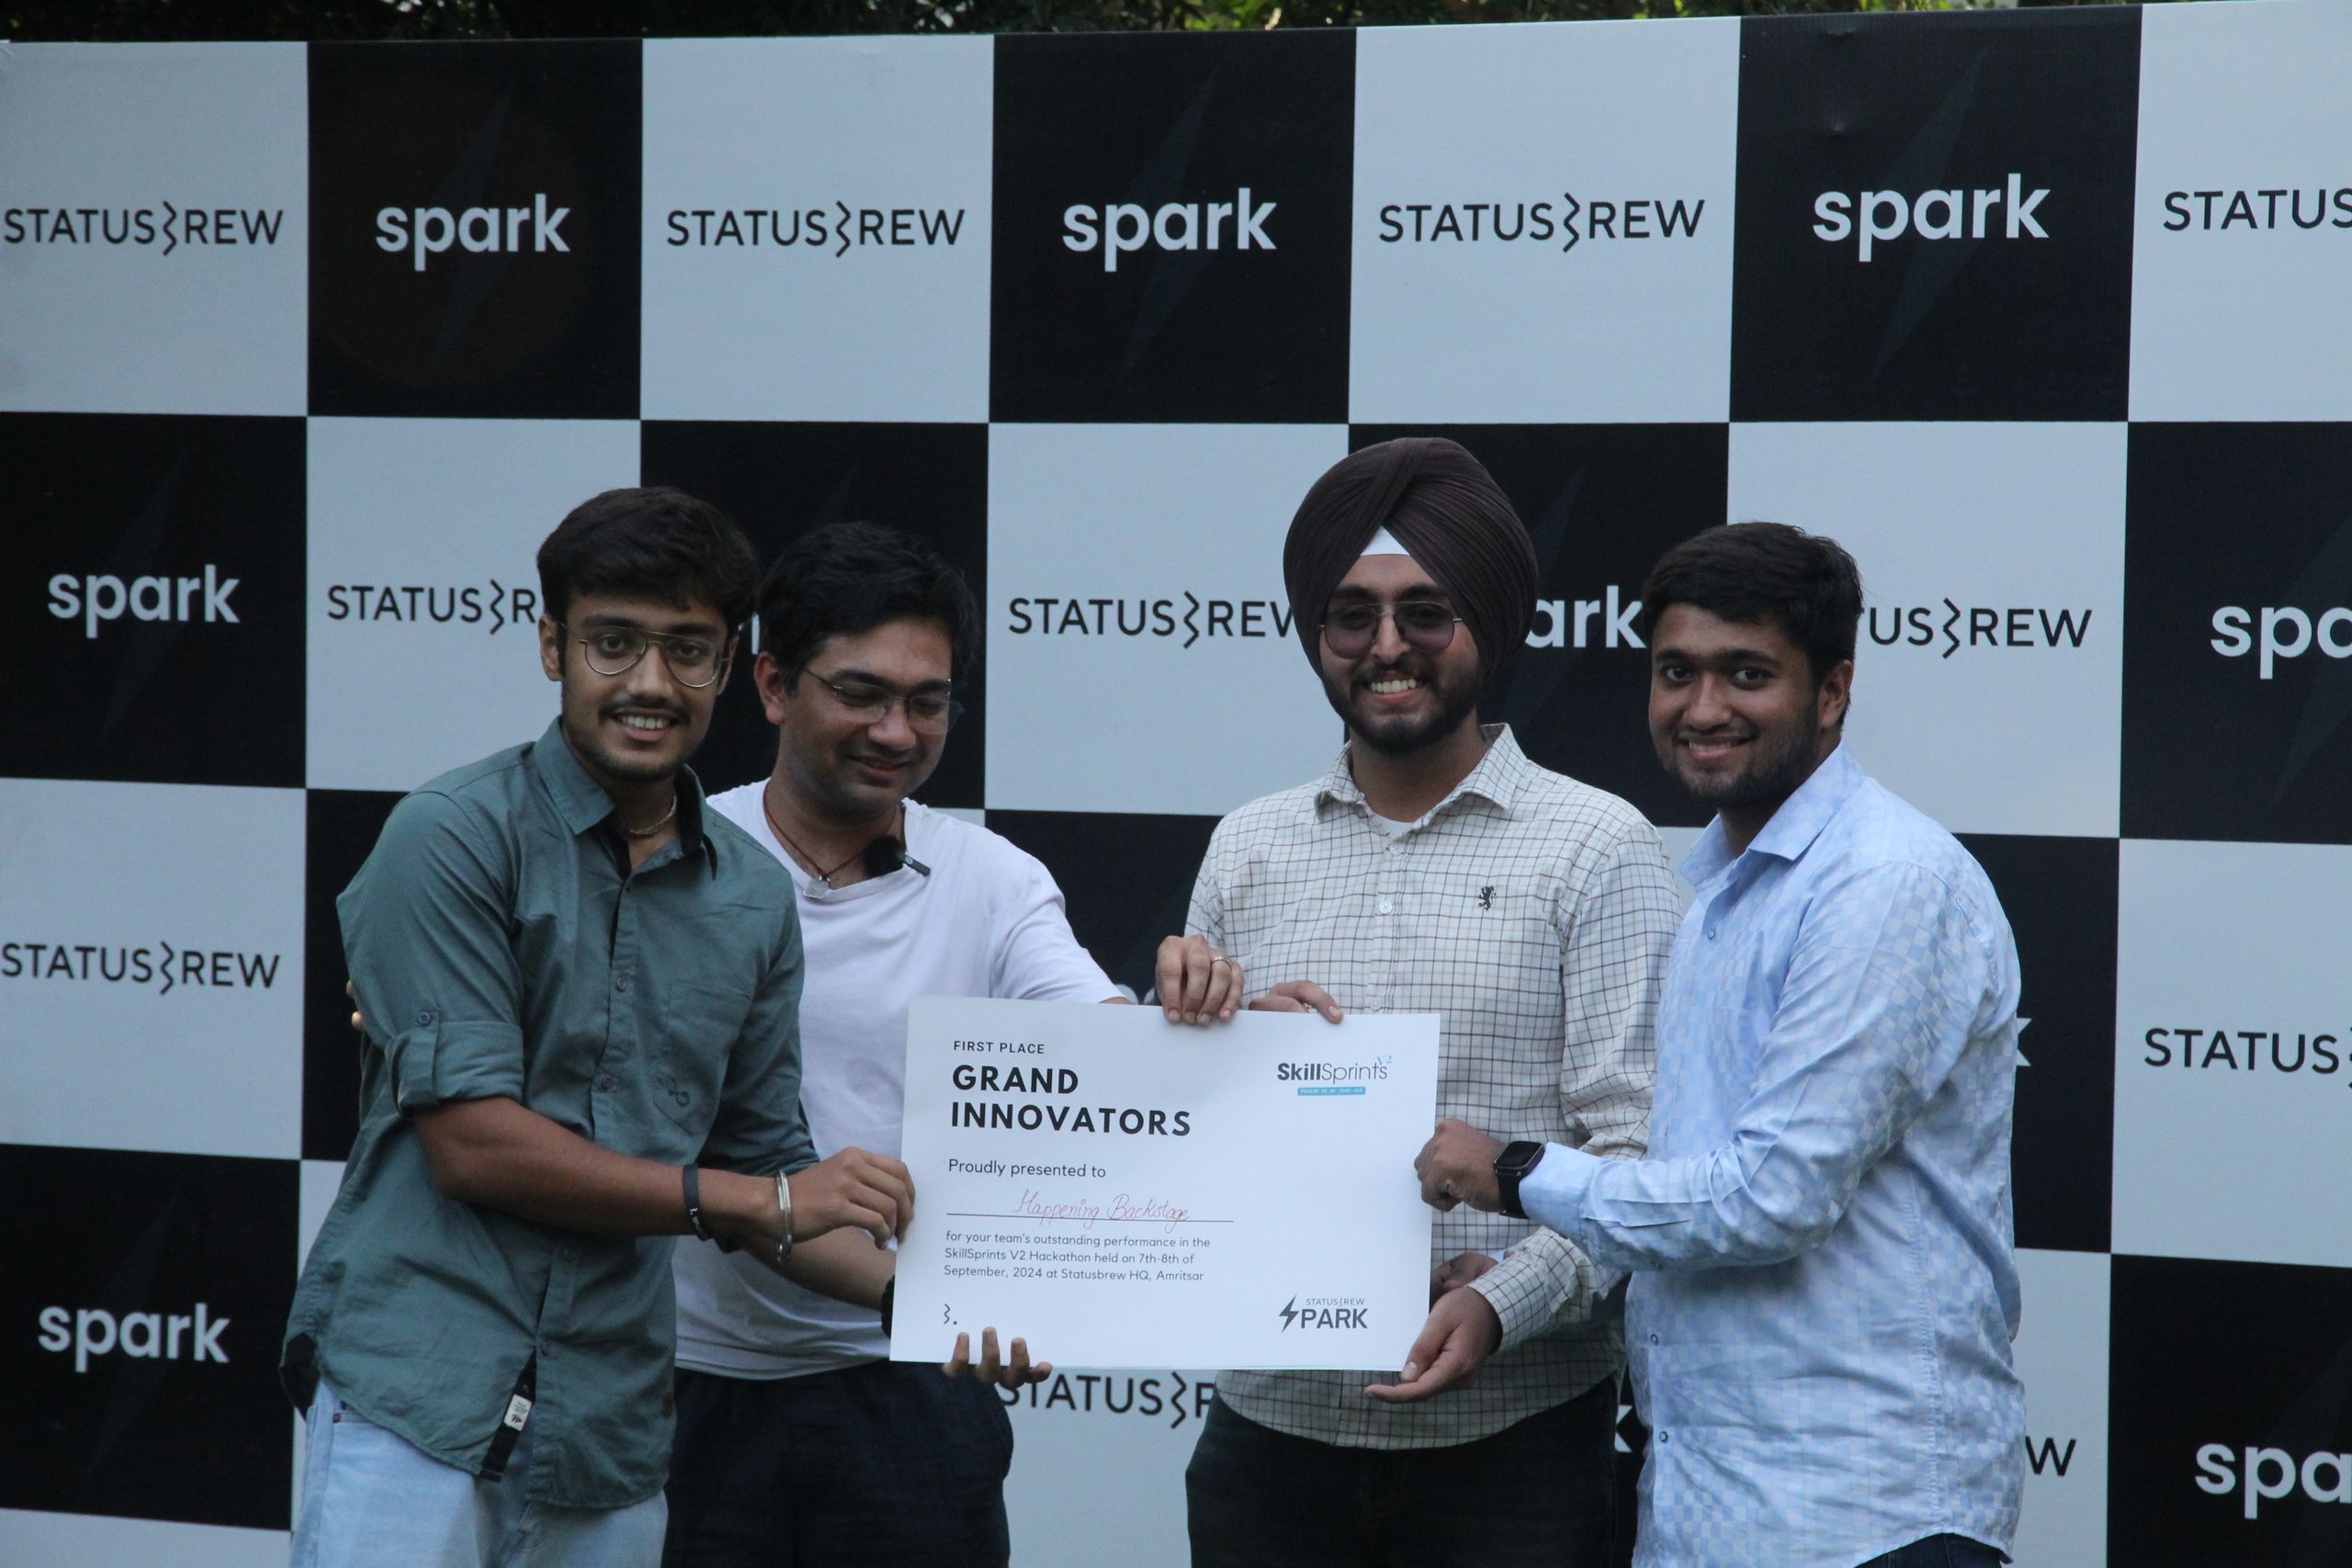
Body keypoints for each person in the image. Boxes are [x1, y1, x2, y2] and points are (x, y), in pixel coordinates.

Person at [282, 488, 915, 1568]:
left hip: (607, 1436)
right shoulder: (450, 835)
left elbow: (764, 1164)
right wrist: (765, 1199)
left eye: (689, 650)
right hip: (415, 1404)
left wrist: (935, 1305)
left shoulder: (752, 895)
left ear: (730, 666)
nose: (651, 684)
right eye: (613, 643)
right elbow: (475, 1146)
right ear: (552, 646)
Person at [1413, 522, 2026, 1568]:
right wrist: (1513, 1279)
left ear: (1832, 691)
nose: (1702, 709)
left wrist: (1514, 1172)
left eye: (1747, 674)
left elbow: (1771, 1197)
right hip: (1706, 1508)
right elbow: (1686, 1185)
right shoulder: (1713, 893)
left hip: (1865, 1516)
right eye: (1675, 673)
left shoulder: (1883, 884)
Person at [1158, 437, 1681, 1567]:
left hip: (1514, 1450)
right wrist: (1198, 1044)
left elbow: (1637, 1156)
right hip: (1268, 1440)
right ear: (1315, 634)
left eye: (1426, 612)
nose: (1387, 646)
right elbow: (1183, 1143)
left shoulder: (1597, 847)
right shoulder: (1247, 847)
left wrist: (1502, 1300)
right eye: (1352, 615)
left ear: (1489, 623)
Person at [662, 522, 1121, 1568]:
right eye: (861, 693)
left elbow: (1106, 1046)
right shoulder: (676, 858)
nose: (896, 731)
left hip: (914, 1388)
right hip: (684, 1380)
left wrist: (1230, 1038)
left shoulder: (992, 878)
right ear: (773, 685)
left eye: (928, 701)